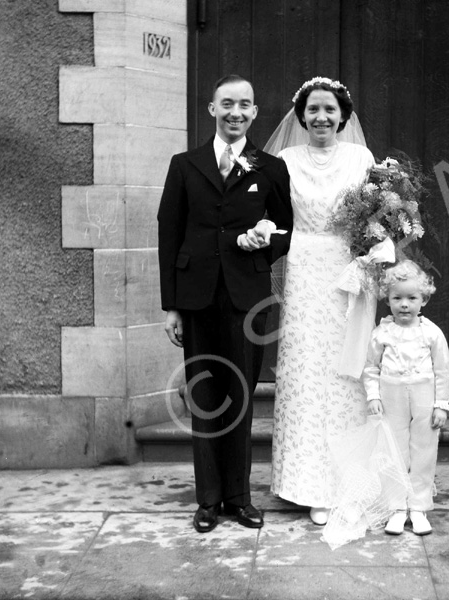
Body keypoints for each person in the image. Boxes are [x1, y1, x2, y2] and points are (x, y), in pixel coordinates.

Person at [157, 74, 293, 533]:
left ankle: (239, 498)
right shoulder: (185, 164)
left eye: (245, 105)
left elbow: (286, 231)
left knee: (239, 397)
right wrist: (171, 306)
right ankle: (208, 501)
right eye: (227, 104)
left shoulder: (270, 168)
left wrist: (264, 242)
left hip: (246, 301)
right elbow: (168, 232)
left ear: (255, 113)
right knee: (205, 397)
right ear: (212, 109)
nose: (236, 112)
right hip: (196, 299)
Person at [264, 77, 375, 525]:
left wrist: (379, 249)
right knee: (306, 369)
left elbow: (375, 219)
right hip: (304, 268)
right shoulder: (285, 160)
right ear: (301, 115)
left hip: (348, 269)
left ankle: (346, 481)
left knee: (345, 371)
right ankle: (304, 481)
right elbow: (271, 214)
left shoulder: (361, 158)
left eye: (330, 109)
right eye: (313, 109)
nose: (321, 117)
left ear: (343, 115)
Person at [362, 260, 449, 536]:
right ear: (387, 299)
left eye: (412, 298)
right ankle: (396, 508)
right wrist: (373, 396)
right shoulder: (382, 334)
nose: (404, 305)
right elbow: (370, 368)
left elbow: (441, 371)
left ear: (423, 299)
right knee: (394, 449)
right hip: (392, 394)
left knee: (424, 448)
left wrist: (441, 405)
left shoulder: (431, 334)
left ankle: (418, 507)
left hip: (424, 394)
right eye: (397, 298)